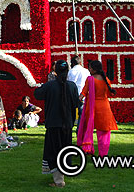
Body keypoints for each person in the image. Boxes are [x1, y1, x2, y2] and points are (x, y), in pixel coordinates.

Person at [34, 60, 79, 188]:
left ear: (56, 71)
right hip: (67, 124)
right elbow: (76, 103)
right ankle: (62, 175)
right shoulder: (72, 86)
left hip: (53, 123)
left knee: (53, 151)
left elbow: (37, 94)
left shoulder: (50, 86)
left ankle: (59, 180)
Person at [77, 60, 118, 157]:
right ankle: (103, 155)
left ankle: (88, 149)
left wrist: (75, 101)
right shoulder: (106, 79)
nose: (89, 69)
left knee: (88, 129)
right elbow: (109, 94)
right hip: (104, 108)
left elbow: (83, 93)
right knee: (104, 133)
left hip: (92, 109)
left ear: (95, 69)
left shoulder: (90, 79)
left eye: (90, 67)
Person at [67, 55, 91, 129]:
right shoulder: (86, 71)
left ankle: (69, 129)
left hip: (72, 95)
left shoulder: (70, 72)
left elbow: (68, 83)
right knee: (82, 114)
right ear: (80, 62)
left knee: (71, 113)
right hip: (82, 94)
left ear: (72, 63)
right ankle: (79, 131)